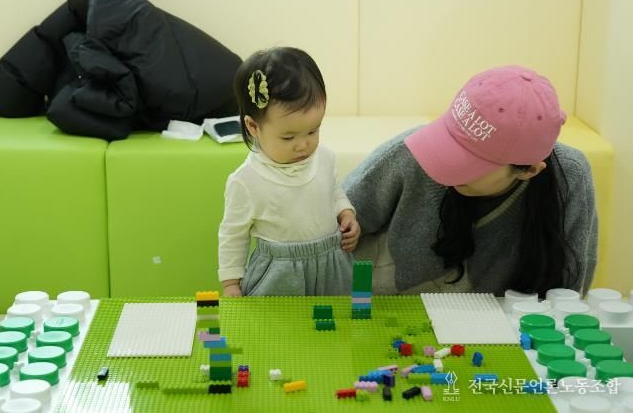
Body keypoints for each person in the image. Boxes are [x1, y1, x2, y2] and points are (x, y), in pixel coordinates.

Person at [343, 65, 597, 297]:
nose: (445, 163)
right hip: (389, 311)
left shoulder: (569, 176)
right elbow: (334, 226)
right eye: (449, 140)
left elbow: (567, 294)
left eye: (469, 161)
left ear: (529, 170)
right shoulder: (411, 152)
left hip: (506, 324)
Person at [218, 47, 360, 297]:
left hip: (331, 265)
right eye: (288, 137)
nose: (303, 144)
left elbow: (333, 191)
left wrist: (346, 212)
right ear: (253, 127)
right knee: (277, 322)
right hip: (279, 274)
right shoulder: (246, 180)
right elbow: (233, 234)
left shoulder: (324, 158)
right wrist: (231, 283)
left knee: (335, 318)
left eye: (313, 131)